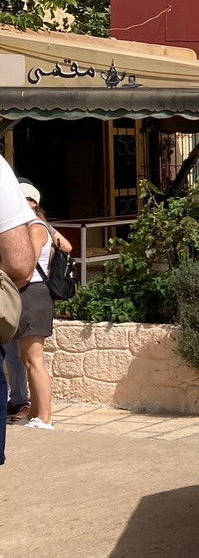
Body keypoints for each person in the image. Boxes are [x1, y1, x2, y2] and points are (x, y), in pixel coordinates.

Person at [15, 179, 68, 431]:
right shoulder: (39, 225)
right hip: (31, 293)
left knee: (35, 360)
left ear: (32, 202)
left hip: (32, 293)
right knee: (27, 358)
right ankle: (35, 413)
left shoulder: (35, 228)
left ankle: (45, 417)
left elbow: (27, 266)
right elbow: (66, 246)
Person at [0, 160, 37, 466]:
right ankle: (26, 406)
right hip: (25, 292)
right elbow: (20, 264)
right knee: (22, 358)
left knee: (26, 358)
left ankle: (31, 408)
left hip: (34, 296)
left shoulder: (41, 226)